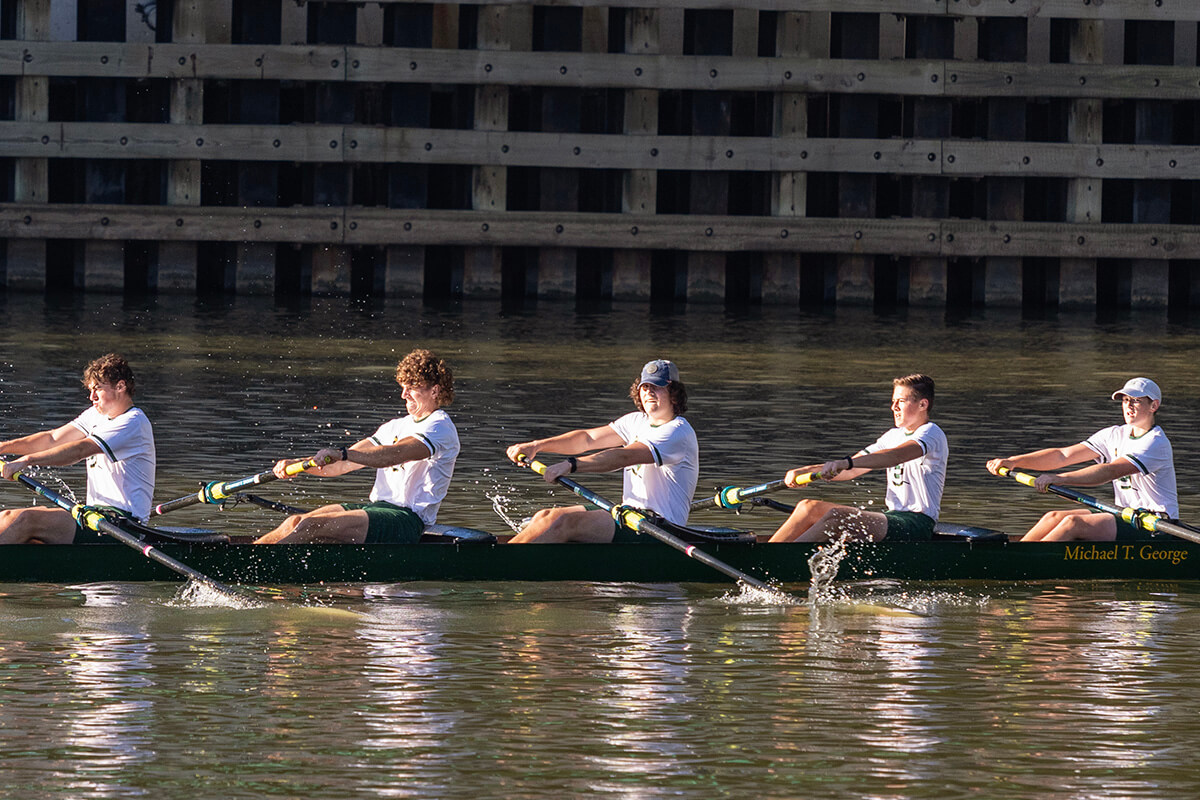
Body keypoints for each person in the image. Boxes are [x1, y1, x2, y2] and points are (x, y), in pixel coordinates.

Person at [253, 349, 459, 544]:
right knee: (295, 522)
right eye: (402, 387)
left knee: (310, 525)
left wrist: (342, 453)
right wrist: (300, 464)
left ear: (435, 390)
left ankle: (256, 569)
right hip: (378, 509)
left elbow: (393, 455)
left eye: (412, 387)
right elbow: (341, 465)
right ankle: (246, 558)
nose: (403, 395)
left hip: (406, 519)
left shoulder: (440, 427)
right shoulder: (394, 426)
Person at [505, 359, 698, 544]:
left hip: (660, 529)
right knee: (545, 516)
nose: (649, 392)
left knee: (561, 523)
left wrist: (571, 465)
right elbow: (587, 439)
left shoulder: (677, 431)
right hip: (630, 515)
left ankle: (504, 563)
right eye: (645, 387)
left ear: (674, 393)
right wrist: (537, 445)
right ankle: (505, 556)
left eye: (657, 387)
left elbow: (623, 456)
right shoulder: (635, 421)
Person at [986, 377, 1177, 542]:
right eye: (1125, 400)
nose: (1128, 405)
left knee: (1073, 523)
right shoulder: (1113, 434)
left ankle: (1024, 566)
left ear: (1154, 406)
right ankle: (1016, 557)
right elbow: (1062, 455)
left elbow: (1110, 471)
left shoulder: (1155, 442)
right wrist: (1013, 461)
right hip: (1126, 516)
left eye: (1135, 401)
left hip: (1156, 525)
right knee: (1052, 517)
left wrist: (1059, 478)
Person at [769, 374, 947, 543]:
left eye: (900, 401)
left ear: (923, 404)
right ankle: (768, 554)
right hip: (892, 516)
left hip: (916, 524)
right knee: (808, 507)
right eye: (893, 401)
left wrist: (846, 462)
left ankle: (780, 560)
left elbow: (895, 456)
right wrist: (807, 470)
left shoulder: (931, 432)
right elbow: (851, 470)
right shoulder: (892, 436)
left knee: (837, 517)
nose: (894, 407)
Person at [0, 353, 156, 544]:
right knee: (6, 517)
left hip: (123, 526)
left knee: (25, 520)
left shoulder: (133, 422)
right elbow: (52, 439)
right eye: (90, 390)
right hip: (95, 517)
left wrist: (27, 460)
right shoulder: (95, 416)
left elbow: (81, 450)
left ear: (120, 386)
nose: (91, 397)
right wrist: (3, 447)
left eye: (97, 389)